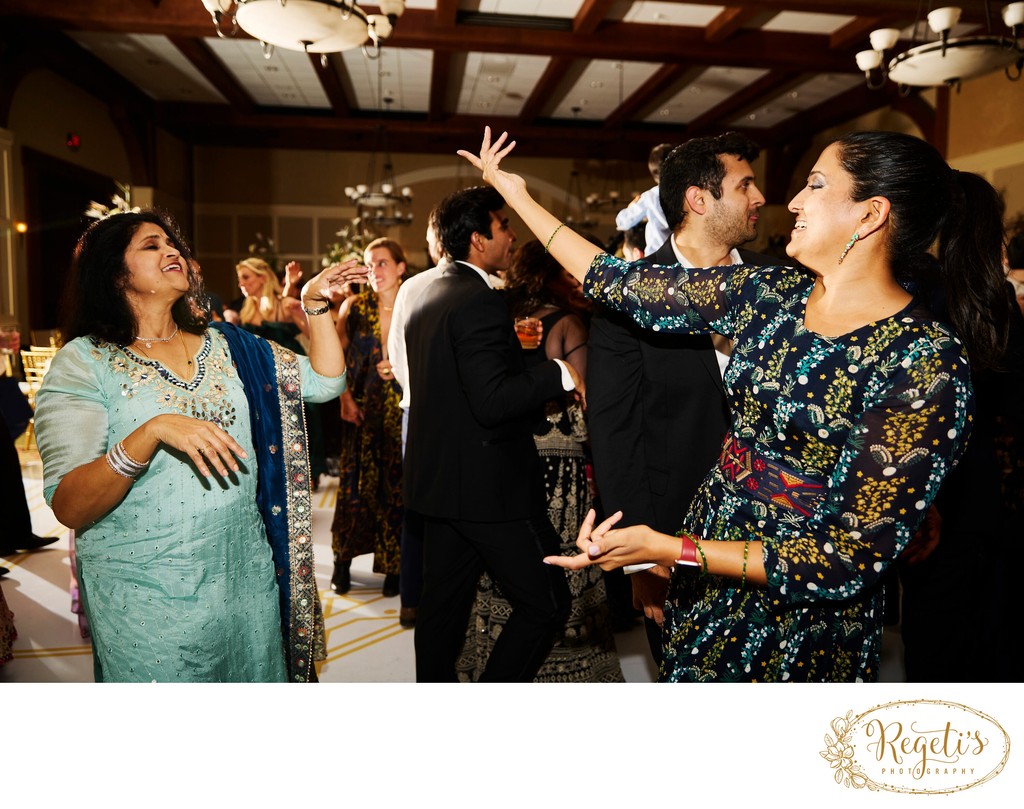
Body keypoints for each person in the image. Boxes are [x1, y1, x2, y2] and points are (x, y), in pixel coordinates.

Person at [461, 127, 1012, 682]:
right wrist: (517, 195)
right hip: (705, 562)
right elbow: (617, 282)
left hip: (797, 611)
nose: (792, 200)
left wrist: (673, 548)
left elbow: (845, 557)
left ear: (869, 215)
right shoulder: (773, 293)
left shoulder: (924, 362)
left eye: (815, 186)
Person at [34, 210, 363, 682]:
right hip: (148, 594)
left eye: (173, 243)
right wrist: (149, 433)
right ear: (113, 271)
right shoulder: (85, 362)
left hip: (245, 577)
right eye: (151, 245)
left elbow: (326, 382)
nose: (172, 251)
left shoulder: (226, 345)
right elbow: (70, 504)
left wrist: (313, 306)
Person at [587, 133, 770, 669]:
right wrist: (641, 559)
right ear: (698, 199)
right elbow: (615, 432)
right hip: (675, 531)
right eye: (745, 185)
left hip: (776, 528)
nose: (759, 197)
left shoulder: (777, 283)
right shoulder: (630, 297)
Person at [403, 185, 579, 682]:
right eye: (504, 226)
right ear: (479, 240)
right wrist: (559, 372)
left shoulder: (429, 292)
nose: (512, 234)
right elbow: (492, 402)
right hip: (489, 490)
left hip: (441, 486)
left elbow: (460, 387)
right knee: (546, 603)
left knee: (441, 612)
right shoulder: (477, 300)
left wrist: (519, 355)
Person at [456, 239, 622, 682]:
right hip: (562, 463)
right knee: (563, 553)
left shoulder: (501, 317)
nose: (577, 281)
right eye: (569, 272)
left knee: (515, 564)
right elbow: (587, 397)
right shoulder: (568, 323)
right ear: (549, 274)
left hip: (514, 454)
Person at [329, 237, 406, 598]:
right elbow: (335, 357)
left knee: (397, 488)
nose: (375, 271)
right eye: (370, 264)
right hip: (360, 409)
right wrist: (344, 396)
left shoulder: (415, 305)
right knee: (354, 487)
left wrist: (405, 370)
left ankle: (395, 567)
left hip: (402, 411)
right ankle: (342, 563)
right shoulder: (354, 307)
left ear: (401, 267)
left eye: (383, 263)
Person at [384, 207, 447, 627]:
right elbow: (398, 354)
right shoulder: (418, 286)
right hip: (423, 412)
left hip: (417, 409)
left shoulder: (414, 287)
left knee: (419, 507)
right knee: (423, 509)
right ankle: (416, 598)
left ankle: (416, 600)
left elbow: (397, 356)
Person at [233, 257, 310, 352]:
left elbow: (313, 336)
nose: (240, 284)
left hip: (286, 364)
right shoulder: (247, 309)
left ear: (263, 278)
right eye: (239, 279)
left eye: (245, 277)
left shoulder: (286, 304)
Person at [615, 142, 674, 255]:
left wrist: (631, 206)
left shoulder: (650, 196)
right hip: (685, 256)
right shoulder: (688, 193)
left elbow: (623, 222)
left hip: (658, 257)